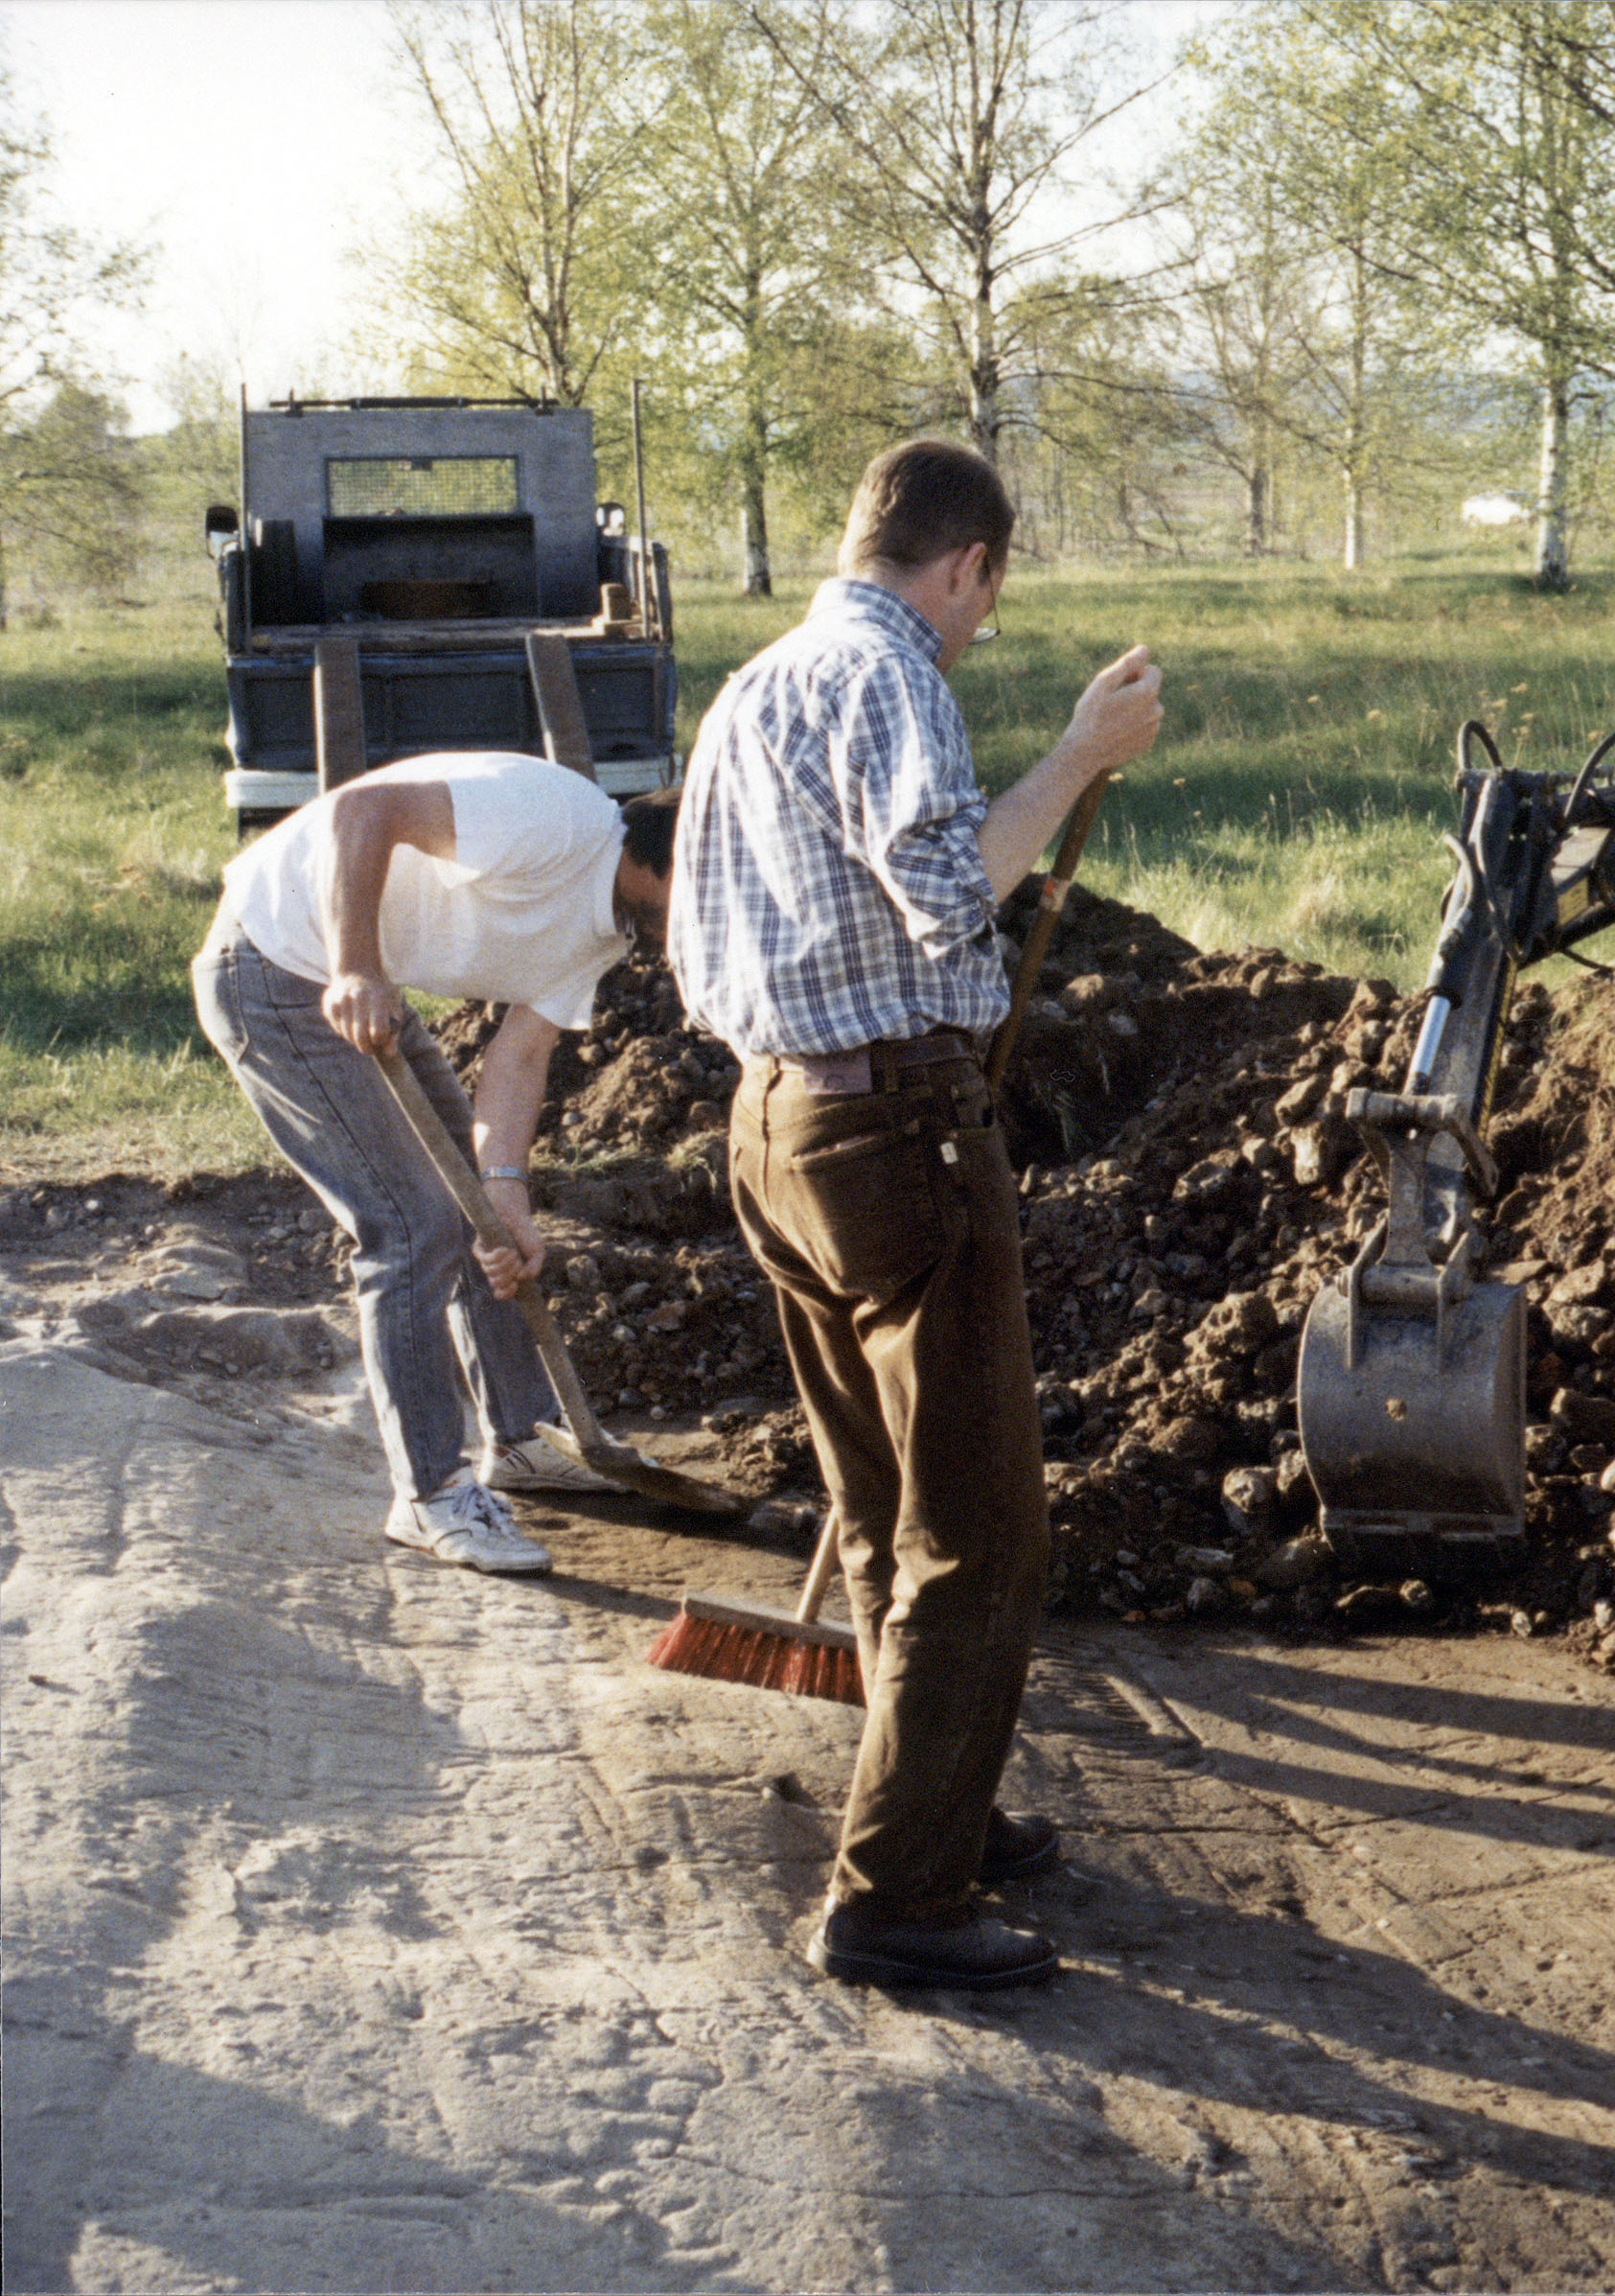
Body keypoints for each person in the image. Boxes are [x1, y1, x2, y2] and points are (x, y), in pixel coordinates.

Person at [670, 437, 1163, 1994]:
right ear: (966, 565)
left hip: (772, 1124)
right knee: (985, 1531)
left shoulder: (752, 689)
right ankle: (893, 1899)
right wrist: (1078, 755)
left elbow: (691, 945)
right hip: (892, 1132)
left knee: (884, 1503)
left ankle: (928, 1791)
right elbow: (955, 890)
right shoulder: (891, 677)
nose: (975, 632)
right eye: (985, 607)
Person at [195, 753, 678, 1577]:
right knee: (411, 1221)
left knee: (477, 1217)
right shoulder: (556, 818)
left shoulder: (608, 929)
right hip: (274, 965)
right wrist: (355, 965)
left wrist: (508, 1194)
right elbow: (366, 810)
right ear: (668, 857)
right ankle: (429, 1493)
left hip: (345, 978)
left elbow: (520, 1058)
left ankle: (522, 1439)